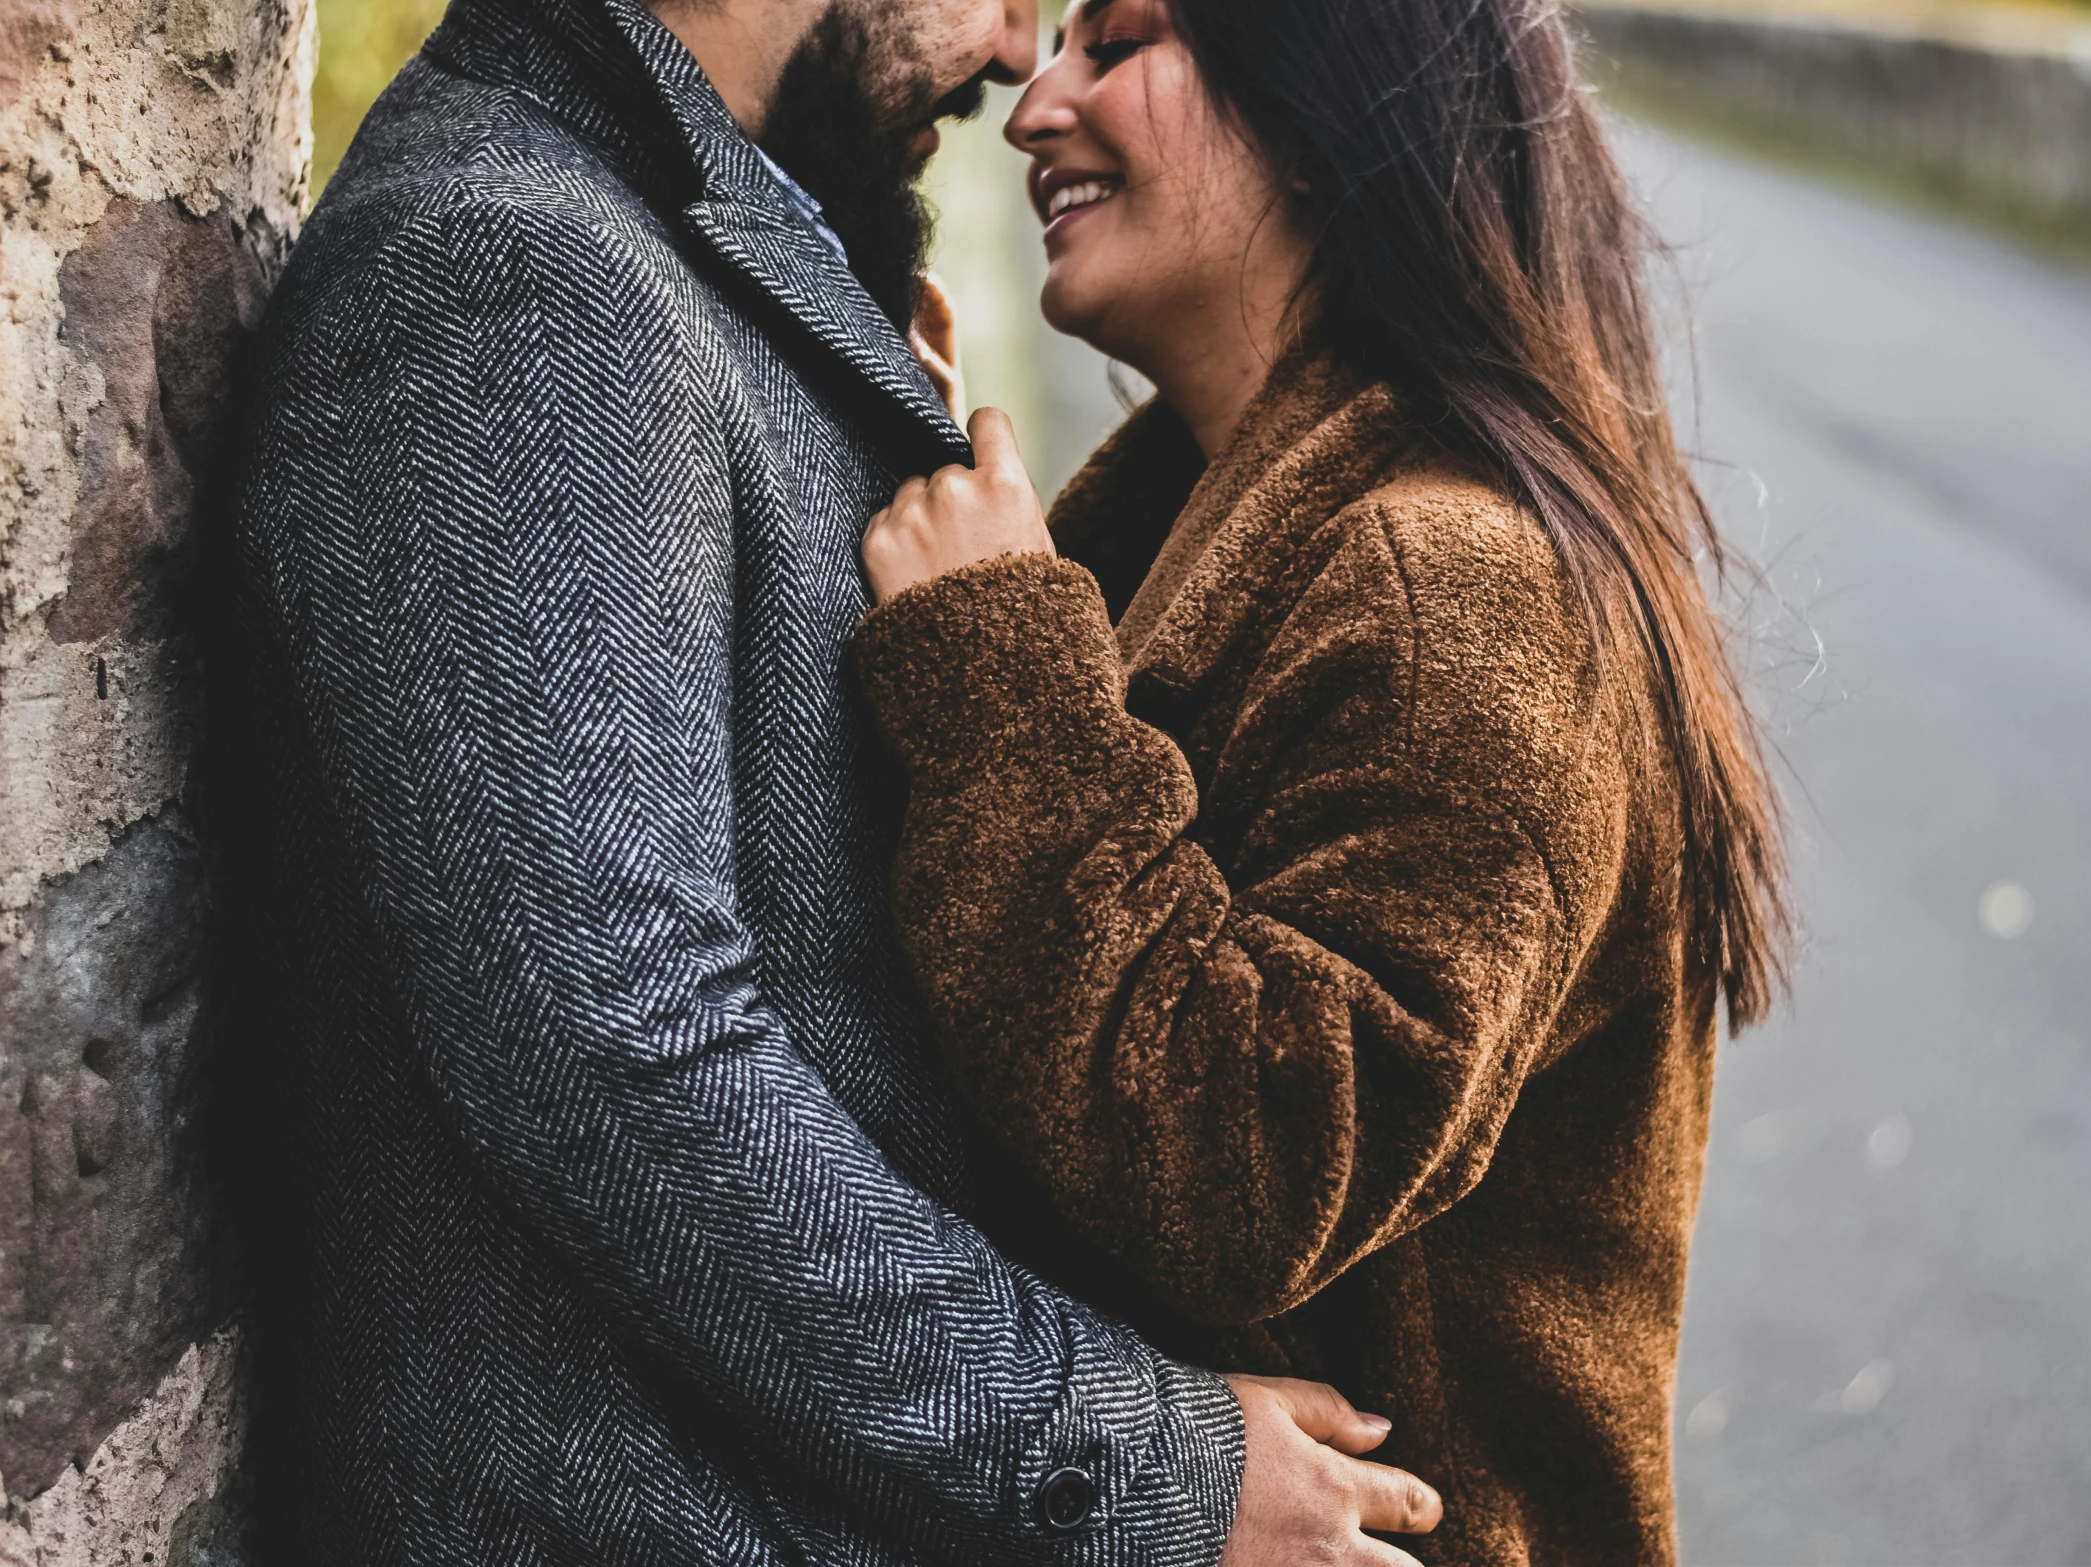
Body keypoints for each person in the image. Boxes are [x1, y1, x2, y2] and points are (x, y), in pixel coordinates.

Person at [219, 0, 1442, 1559]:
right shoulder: (508, 270)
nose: (1015, 57)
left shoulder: (654, 239)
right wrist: (1149, 1464)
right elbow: (621, 1060)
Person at [854, 0, 1793, 1560]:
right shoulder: (1223, 526)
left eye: (1121, 42)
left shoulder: (1455, 590)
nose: (1034, 102)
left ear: (1323, 109)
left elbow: (1251, 1164)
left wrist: (1000, 672)